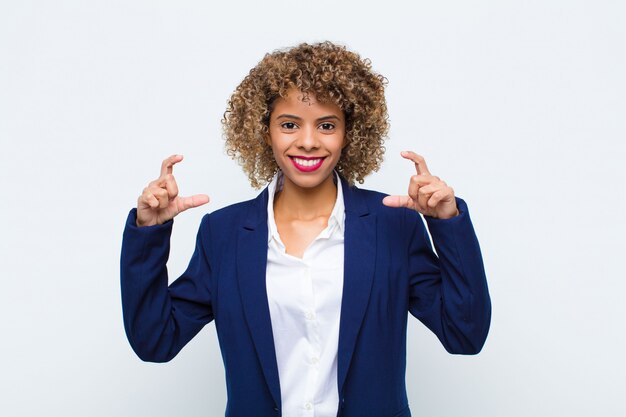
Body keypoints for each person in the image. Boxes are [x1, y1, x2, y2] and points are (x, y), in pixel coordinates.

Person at [120, 41, 491, 417]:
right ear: (264, 131)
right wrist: (147, 233)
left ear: (350, 133)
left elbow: (465, 333)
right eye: (289, 124)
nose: (309, 141)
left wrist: (447, 222)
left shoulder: (393, 226)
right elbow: (155, 340)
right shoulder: (224, 234)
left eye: (327, 125)